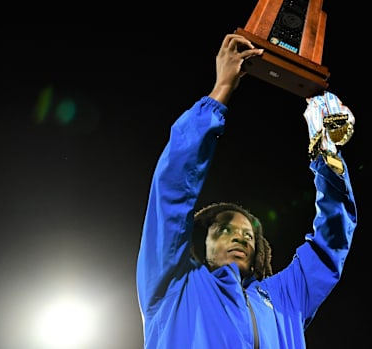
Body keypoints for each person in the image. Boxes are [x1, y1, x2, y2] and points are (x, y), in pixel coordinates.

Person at [136, 32, 358, 349]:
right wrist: (220, 92)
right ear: (202, 241)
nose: (241, 237)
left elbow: (331, 242)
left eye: (249, 235)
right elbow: (171, 190)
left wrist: (326, 153)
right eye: (226, 229)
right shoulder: (173, 284)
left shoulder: (285, 297)